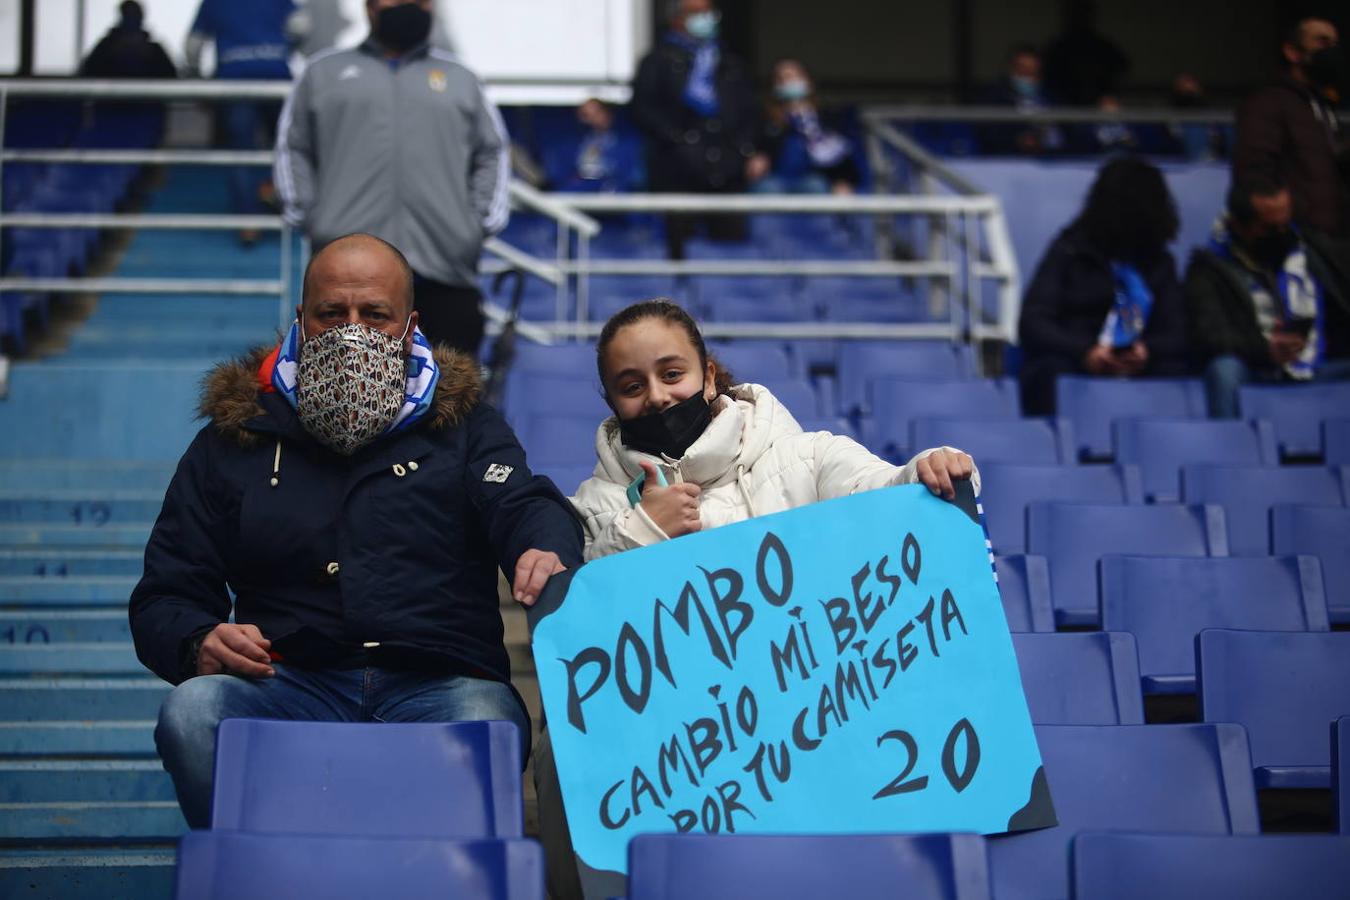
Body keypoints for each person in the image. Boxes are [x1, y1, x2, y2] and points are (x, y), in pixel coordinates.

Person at [130, 233, 583, 829]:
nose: (352, 332)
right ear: (301, 319)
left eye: (374, 314)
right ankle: (259, 869)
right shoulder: (236, 436)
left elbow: (522, 502)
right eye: (331, 313)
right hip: (284, 679)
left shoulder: (466, 424)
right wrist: (197, 641)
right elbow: (167, 590)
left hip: (441, 680)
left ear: (409, 325)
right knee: (192, 714)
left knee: (487, 725)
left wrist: (544, 545)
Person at [534, 299, 978, 899]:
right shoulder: (595, 505)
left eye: (672, 374)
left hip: (810, 718)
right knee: (560, 755)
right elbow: (587, 641)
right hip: (680, 748)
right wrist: (643, 530)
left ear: (708, 377)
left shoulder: (807, 456)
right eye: (632, 386)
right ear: (612, 402)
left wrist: (929, 472)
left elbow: (882, 492)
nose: (658, 398)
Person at [275, 0, 511, 356]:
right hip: (348, 281)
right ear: (370, 7)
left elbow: (492, 151)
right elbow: (293, 148)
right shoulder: (322, 73)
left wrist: (473, 227)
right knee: (346, 388)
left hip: (444, 269)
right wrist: (312, 218)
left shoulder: (461, 79)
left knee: (452, 388)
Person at [1018, 156, 1191, 416]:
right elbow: (1034, 322)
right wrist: (1086, 351)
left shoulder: (1160, 262)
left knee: (1175, 371)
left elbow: (1179, 331)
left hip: (1141, 361)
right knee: (1049, 370)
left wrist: (1146, 351)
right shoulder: (1069, 250)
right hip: (1075, 357)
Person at [1184, 179, 1350, 418]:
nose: (1282, 234)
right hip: (1256, 367)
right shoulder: (1208, 270)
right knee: (1224, 370)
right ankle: (1231, 439)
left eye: (1285, 224)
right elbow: (1209, 337)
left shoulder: (1308, 251)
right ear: (1238, 226)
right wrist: (1266, 350)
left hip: (1318, 364)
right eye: (1269, 228)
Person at [630, 0, 761, 257]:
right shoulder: (657, 61)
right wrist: (678, 140)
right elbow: (644, 110)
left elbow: (749, 111)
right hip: (677, 169)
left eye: (708, 12)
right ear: (677, 18)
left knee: (730, 246)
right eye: (697, 13)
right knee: (679, 244)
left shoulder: (729, 63)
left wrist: (745, 149)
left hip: (727, 170)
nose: (706, 18)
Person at [186, 0, 306, 244]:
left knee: (241, 152)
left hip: (234, 78)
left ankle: (248, 223)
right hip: (275, 75)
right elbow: (302, 26)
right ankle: (275, 189)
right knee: (286, 145)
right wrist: (286, 49)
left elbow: (193, 45)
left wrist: (197, 76)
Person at [1234, 16, 1349, 237]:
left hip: (1332, 242)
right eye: (1322, 42)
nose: (1331, 51)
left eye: (1335, 44)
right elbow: (1254, 169)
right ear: (1293, 52)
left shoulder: (1324, 107)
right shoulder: (1269, 102)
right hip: (1296, 240)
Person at [753, 58, 859, 194]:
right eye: (782, 78)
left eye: (793, 76)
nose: (788, 82)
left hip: (813, 180)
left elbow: (840, 155)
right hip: (775, 180)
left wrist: (842, 180)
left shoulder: (827, 118)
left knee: (816, 185)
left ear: (808, 81)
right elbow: (757, 152)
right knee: (767, 188)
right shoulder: (765, 119)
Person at [976, 44, 1064, 157]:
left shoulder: (1051, 96)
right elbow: (989, 132)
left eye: (1032, 71)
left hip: (1056, 158)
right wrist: (1018, 140)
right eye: (1023, 69)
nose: (1027, 75)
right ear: (1011, 69)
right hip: (1012, 158)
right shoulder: (995, 97)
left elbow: (1068, 130)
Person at [1041, 0, 1130, 107]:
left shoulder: (1103, 47)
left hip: (1099, 107)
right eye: (1074, 15)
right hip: (1062, 107)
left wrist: (1110, 94)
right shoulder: (1057, 48)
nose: (1078, 19)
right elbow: (1047, 78)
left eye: (1082, 14)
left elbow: (1122, 69)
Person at [548, 99, 644, 193]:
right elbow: (562, 172)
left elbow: (628, 173)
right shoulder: (569, 144)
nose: (590, 119)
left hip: (611, 187)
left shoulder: (626, 142)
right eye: (585, 115)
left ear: (607, 115)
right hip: (579, 187)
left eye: (595, 114)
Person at [80, 1, 176, 80]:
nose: (131, 21)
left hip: (146, 96)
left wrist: (148, 55)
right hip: (111, 95)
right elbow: (87, 72)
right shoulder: (106, 47)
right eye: (129, 15)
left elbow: (171, 76)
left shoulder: (154, 49)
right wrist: (113, 52)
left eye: (135, 15)